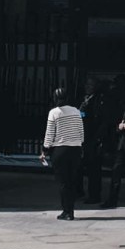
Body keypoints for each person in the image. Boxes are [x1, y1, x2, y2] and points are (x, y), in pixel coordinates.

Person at [41, 86, 85, 219]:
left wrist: (45, 150)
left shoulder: (54, 112)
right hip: (75, 149)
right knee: (72, 180)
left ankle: (67, 211)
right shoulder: (76, 111)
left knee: (63, 182)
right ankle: (70, 210)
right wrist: (80, 144)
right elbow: (81, 131)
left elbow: (50, 133)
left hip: (60, 150)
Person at [80, 78, 108, 205]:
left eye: (90, 84)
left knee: (94, 169)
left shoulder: (98, 100)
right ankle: (80, 191)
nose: (87, 86)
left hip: (93, 137)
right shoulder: (86, 99)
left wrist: (97, 138)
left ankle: (94, 194)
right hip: (85, 136)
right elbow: (82, 115)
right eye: (87, 84)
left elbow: (101, 120)